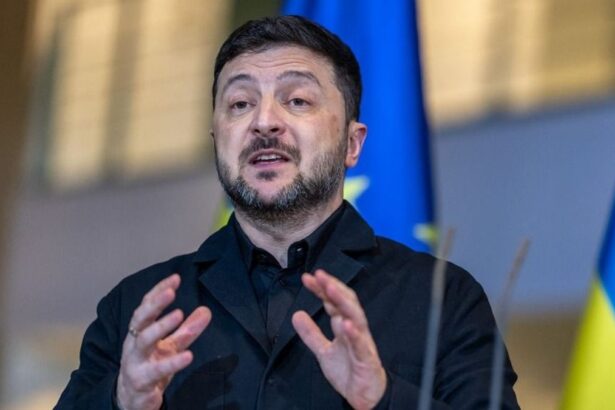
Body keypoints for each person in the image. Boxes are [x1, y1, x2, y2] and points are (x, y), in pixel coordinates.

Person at [56, 16, 519, 410]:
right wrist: (120, 400)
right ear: (217, 140)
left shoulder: (442, 299)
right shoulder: (137, 309)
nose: (264, 122)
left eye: (297, 100)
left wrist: (383, 397)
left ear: (352, 144)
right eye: (240, 104)